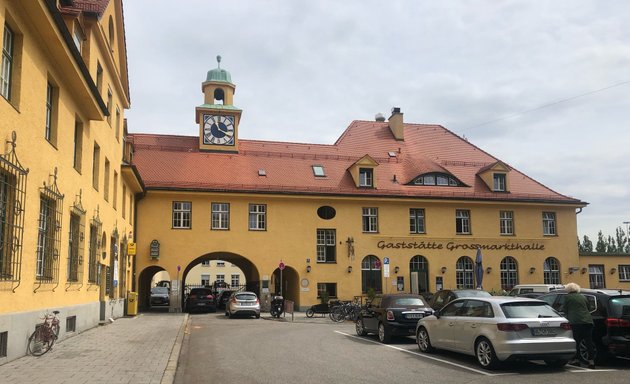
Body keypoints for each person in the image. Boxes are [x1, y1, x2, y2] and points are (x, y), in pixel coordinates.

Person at [564, 282, 595, 368]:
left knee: (576, 341)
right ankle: (591, 361)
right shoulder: (583, 297)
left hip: (575, 322)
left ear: (568, 289)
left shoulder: (567, 298)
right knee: (588, 341)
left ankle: (576, 360)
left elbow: (564, 309)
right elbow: (588, 308)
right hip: (588, 321)